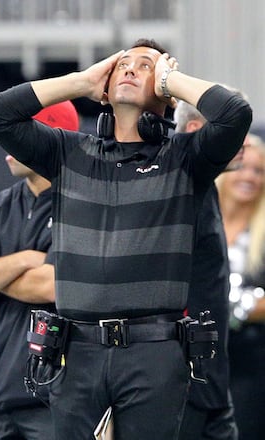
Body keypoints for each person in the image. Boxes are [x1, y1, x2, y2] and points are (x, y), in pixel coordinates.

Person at [0, 38, 251, 439]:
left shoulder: (186, 158)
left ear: (165, 93)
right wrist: (80, 81)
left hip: (155, 353)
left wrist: (171, 78)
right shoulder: (68, 152)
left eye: (145, 66)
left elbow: (234, 113)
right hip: (75, 352)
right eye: (122, 64)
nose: (130, 69)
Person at [0, 101, 79, 440]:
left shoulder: (82, 202)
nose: (7, 142)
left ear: (52, 137)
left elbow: (50, 285)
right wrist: (24, 259)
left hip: (52, 399)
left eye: (19, 133)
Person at [173, 97, 239, 439]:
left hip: (211, 382)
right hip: (185, 385)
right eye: (235, 133)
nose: (242, 144)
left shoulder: (204, 187)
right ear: (198, 131)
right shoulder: (179, 188)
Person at [218, 134, 265, 440]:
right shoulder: (200, 219)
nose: (249, 177)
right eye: (242, 167)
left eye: (259, 171)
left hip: (250, 361)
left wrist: (235, 306)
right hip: (195, 358)